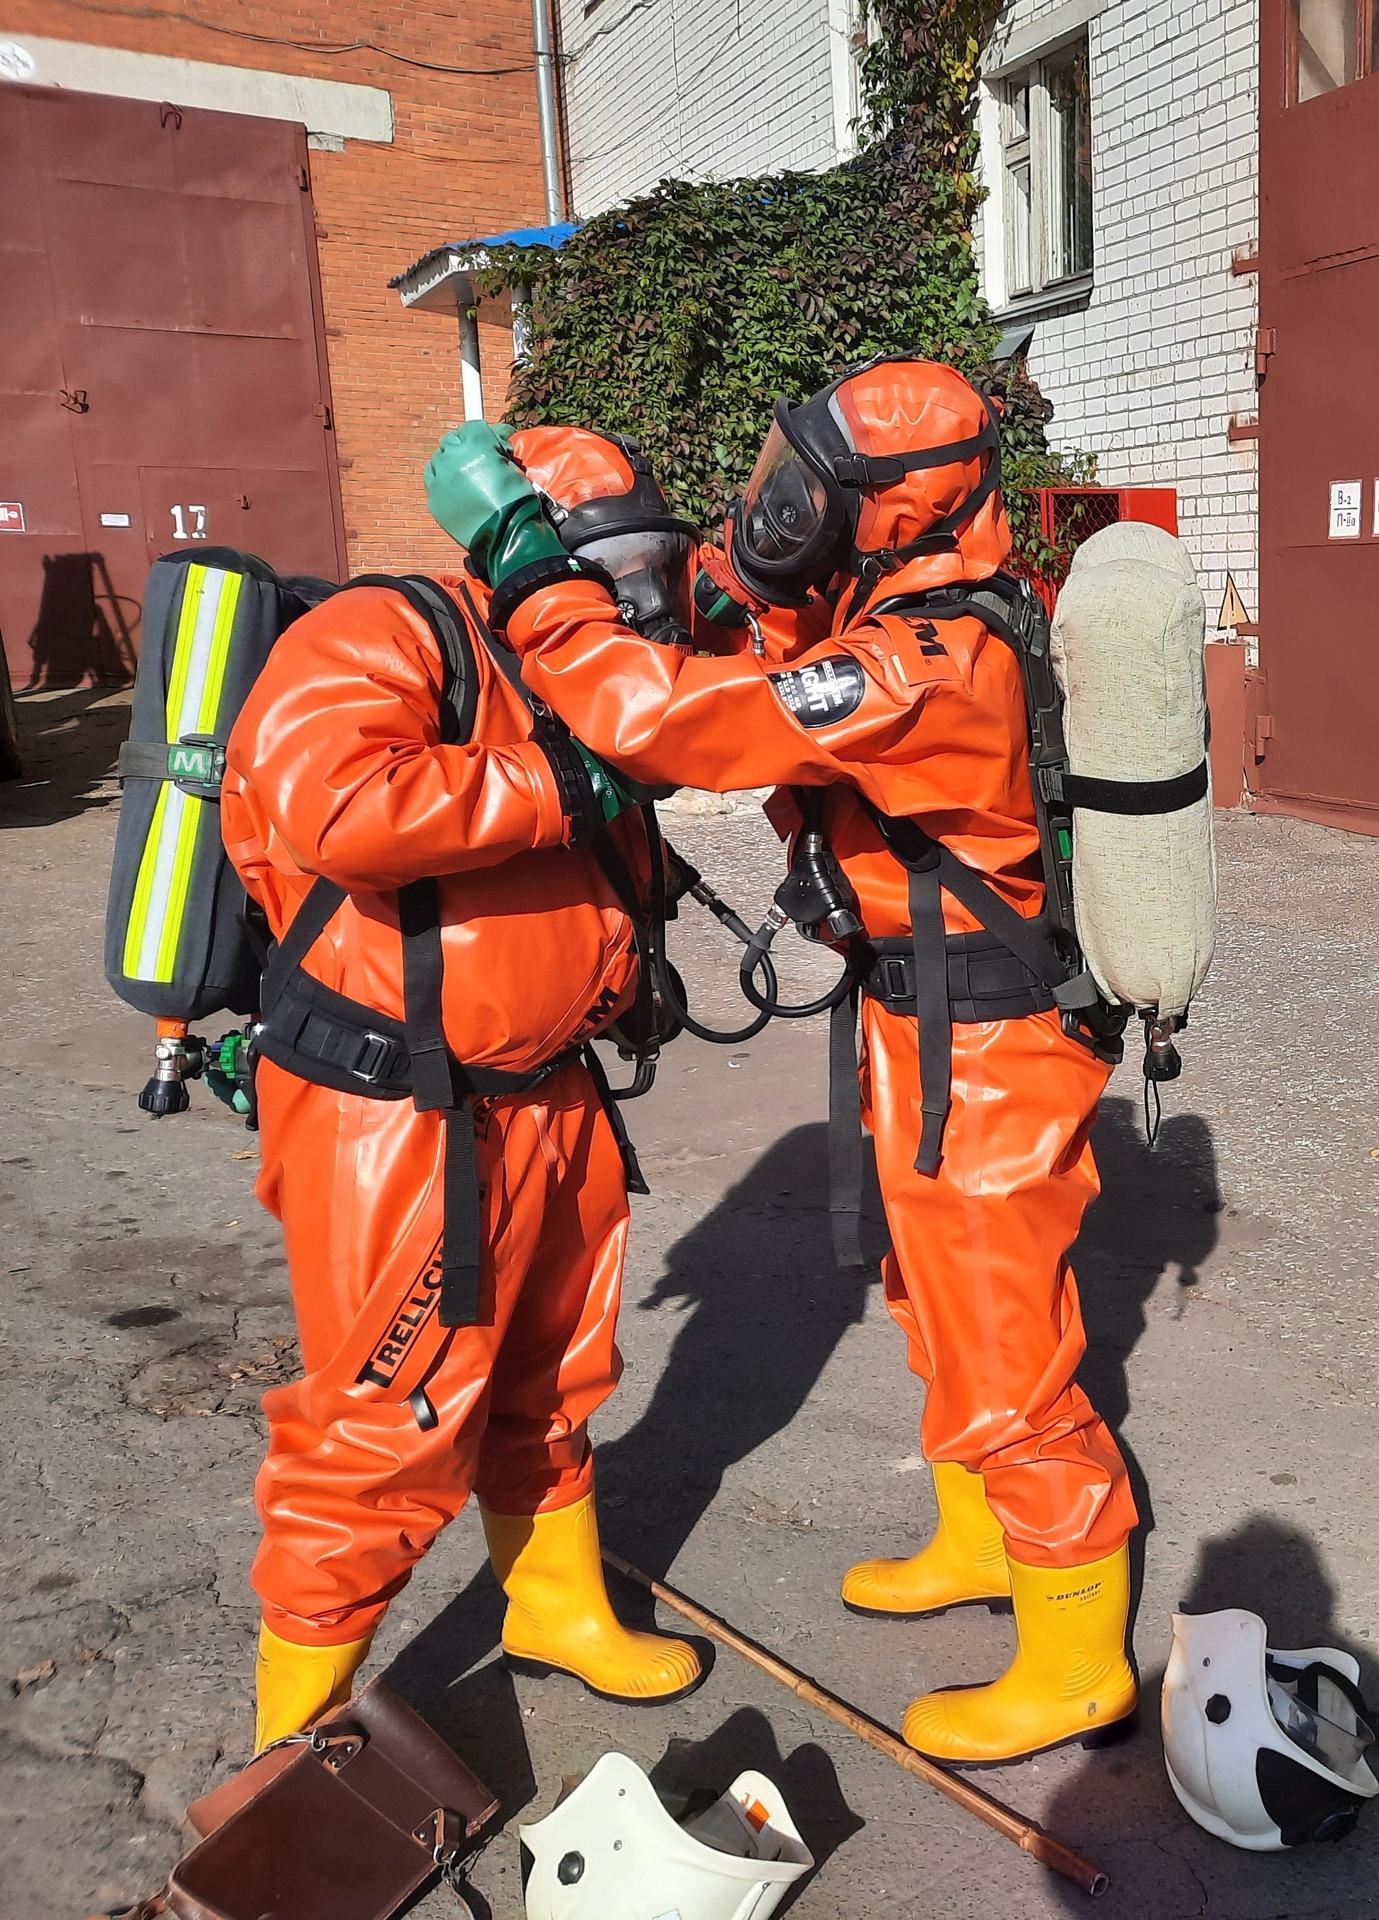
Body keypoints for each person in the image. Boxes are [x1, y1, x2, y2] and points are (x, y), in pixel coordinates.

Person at [421, 363, 1141, 1767]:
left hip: (984, 1041)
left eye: (812, 492)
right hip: (922, 1020)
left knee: (1008, 1345)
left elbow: (662, 721)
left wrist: (533, 573)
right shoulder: (899, 610)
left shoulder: (925, 661)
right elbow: (754, 632)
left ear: (899, 510)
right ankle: (984, 1540)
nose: (779, 512)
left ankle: (1075, 1657)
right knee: (935, 1304)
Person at [222, 430, 704, 1750]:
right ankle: (292, 1750)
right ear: (517, 536)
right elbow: (335, 805)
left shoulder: (570, 673)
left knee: (554, 1375)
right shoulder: (390, 631)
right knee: (382, 1432)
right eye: (603, 563)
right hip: (400, 1111)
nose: (628, 596)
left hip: (548, 1092)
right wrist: (565, 781)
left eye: (647, 562)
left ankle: (553, 1607)